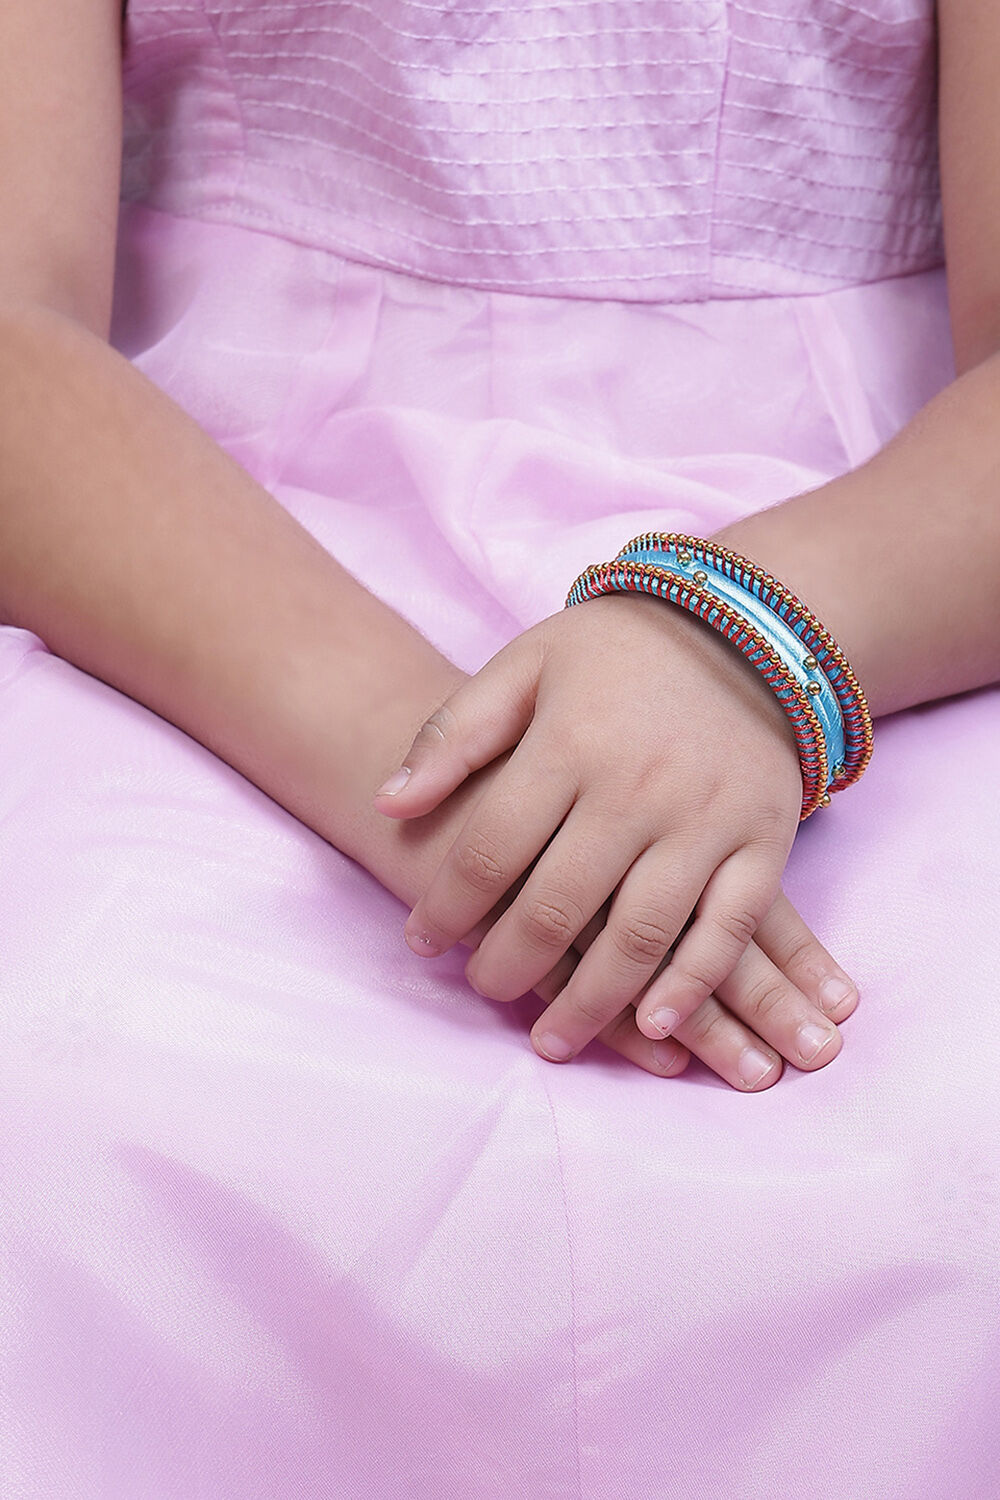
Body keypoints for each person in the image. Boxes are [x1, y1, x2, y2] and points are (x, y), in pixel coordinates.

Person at [2, 2, 997, 1495]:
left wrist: (746, 641)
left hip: (902, 555)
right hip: (175, 561)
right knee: (66, 1115)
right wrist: (480, 794)